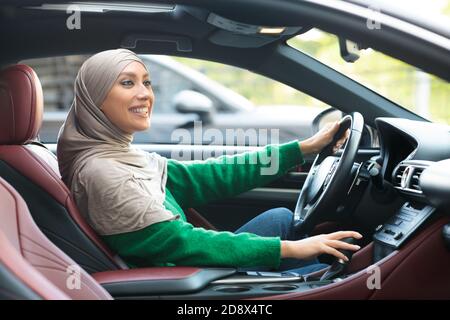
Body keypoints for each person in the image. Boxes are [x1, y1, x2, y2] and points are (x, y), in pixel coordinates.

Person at [57, 49, 362, 275]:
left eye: (147, 83)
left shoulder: (120, 154)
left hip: (189, 268)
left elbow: (209, 176)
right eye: (127, 83)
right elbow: (181, 243)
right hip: (186, 284)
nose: (144, 94)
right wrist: (292, 249)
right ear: (95, 98)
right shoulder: (103, 173)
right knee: (334, 277)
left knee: (281, 218)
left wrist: (304, 148)